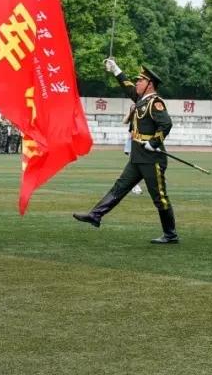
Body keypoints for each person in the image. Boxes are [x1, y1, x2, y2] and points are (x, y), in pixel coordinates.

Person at [73, 58, 178, 243]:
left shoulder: (155, 102)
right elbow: (128, 87)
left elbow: (166, 124)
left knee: (159, 197)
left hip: (152, 159)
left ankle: (170, 235)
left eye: (140, 80)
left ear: (149, 84)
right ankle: (96, 215)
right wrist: (116, 70)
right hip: (138, 157)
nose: (137, 82)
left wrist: (153, 143)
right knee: (120, 187)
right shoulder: (141, 99)